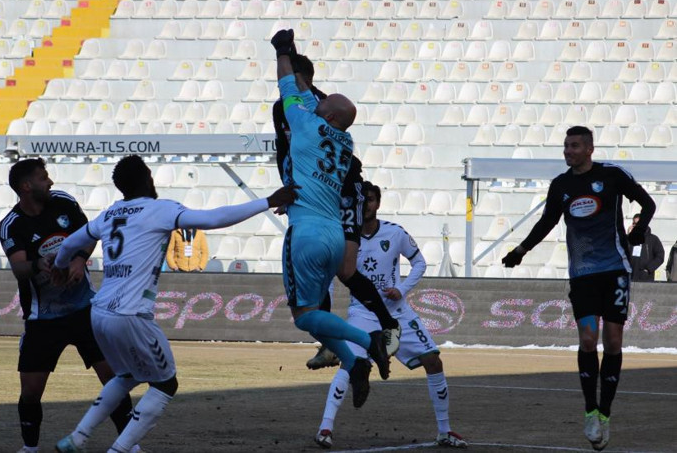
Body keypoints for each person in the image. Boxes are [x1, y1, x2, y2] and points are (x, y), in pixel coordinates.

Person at [51, 155, 296, 453]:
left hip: (99, 312)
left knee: (127, 375)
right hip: (131, 314)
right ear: (147, 179)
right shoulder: (161, 209)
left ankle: (77, 438)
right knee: (166, 384)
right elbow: (213, 219)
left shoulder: (110, 213)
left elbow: (67, 245)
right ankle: (120, 449)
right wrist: (268, 201)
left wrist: (61, 267)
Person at [501, 126, 655, 451]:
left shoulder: (612, 176)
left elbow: (647, 203)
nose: (568, 151)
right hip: (582, 273)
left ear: (589, 148)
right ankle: (590, 411)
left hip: (615, 270)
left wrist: (639, 229)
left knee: (613, 343)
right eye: (565, 146)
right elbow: (547, 221)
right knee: (588, 339)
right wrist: (520, 250)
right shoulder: (562, 185)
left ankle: (606, 413)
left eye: (574, 146)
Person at [270, 28, 389, 409]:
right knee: (316, 311)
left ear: (330, 115)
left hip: (306, 231)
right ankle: (354, 364)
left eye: (323, 105)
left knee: (305, 317)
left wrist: (282, 52)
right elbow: (308, 96)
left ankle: (367, 341)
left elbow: (290, 89)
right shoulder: (345, 141)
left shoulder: (304, 125)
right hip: (335, 232)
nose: (315, 104)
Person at [315, 182, 467, 449]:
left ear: (378, 203)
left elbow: (419, 262)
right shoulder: (344, 238)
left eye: (371, 200)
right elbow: (329, 275)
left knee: (433, 361)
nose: (366, 205)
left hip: (398, 313)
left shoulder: (395, 233)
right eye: (361, 201)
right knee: (349, 365)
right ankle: (325, 427)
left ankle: (445, 430)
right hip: (362, 313)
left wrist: (402, 288)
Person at [0, 158, 133, 453]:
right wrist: (41, 264)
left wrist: (78, 259)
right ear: (26, 186)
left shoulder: (63, 202)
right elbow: (19, 269)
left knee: (113, 378)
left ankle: (129, 446)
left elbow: (89, 237)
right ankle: (30, 448)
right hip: (42, 317)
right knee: (31, 392)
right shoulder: (12, 225)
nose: (50, 182)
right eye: (43, 177)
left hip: (86, 310)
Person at [627, 214, 663, 282]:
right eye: (634, 223)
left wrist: (648, 269)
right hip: (631, 275)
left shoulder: (653, 239)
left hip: (646, 276)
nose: (636, 225)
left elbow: (660, 256)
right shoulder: (629, 238)